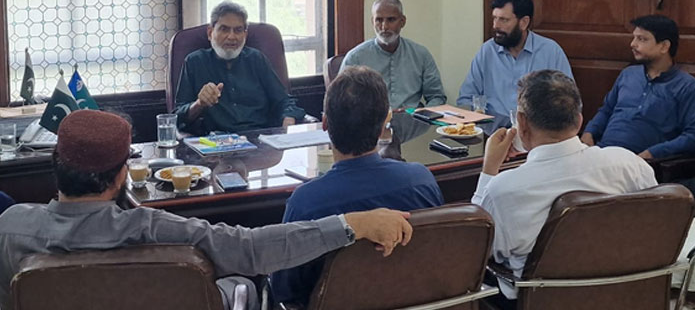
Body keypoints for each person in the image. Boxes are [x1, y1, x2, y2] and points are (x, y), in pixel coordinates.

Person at [0, 110, 414, 310]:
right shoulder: (154, 228)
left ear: (55, 169)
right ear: (121, 176)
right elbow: (254, 251)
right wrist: (350, 225)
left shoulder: (10, 227)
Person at [471, 70, 657, 308]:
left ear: (522, 123)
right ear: (579, 120)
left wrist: (489, 170)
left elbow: (474, 250)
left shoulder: (504, 190)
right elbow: (651, 226)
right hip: (620, 296)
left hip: (539, 302)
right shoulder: (630, 164)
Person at [271, 66, 444, 306]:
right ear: (386, 121)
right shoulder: (421, 181)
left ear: (324, 123)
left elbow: (285, 293)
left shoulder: (305, 203)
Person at [175, 1, 305, 134]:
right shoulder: (195, 62)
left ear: (245, 35)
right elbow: (177, 118)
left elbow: (283, 101)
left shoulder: (256, 59)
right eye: (224, 29)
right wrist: (199, 104)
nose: (232, 37)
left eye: (238, 30)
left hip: (261, 141)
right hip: (217, 145)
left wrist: (288, 121)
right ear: (210, 33)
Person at [582, 15, 695, 159]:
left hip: (644, 163)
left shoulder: (686, 86)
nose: (633, 44)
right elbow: (606, 110)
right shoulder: (628, 74)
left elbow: (694, 135)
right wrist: (589, 133)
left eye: (642, 39)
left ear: (664, 46)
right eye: (634, 38)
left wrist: (653, 153)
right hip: (602, 154)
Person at [457, 0, 572, 121]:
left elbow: (569, 102)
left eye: (503, 20)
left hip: (538, 134)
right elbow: (465, 99)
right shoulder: (487, 51)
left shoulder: (551, 52)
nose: (496, 26)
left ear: (524, 22)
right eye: (494, 18)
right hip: (492, 132)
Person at [340, 0, 446, 110]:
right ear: (372, 22)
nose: (384, 27)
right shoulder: (356, 58)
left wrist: (420, 112)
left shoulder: (421, 55)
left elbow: (437, 97)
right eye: (379, 20)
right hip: (371, 124)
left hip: (413, 121)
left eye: (391, 20)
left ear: (402, 22)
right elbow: (342, 101)